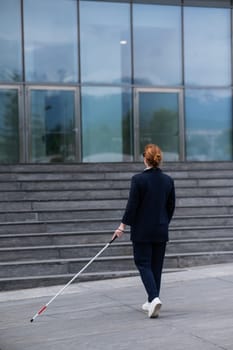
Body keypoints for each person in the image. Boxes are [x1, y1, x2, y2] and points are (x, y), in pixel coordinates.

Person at [112, 143, 175, 318]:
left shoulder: (138, 179)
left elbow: (132, 206)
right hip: (161, 230)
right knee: (156, 267)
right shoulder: (168, 180)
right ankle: (151, 301)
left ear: (145, 160)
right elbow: (171, 207)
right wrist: (163, 223)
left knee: (143, 263)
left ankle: (154, 298)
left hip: (142, 231)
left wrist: (121, 227)